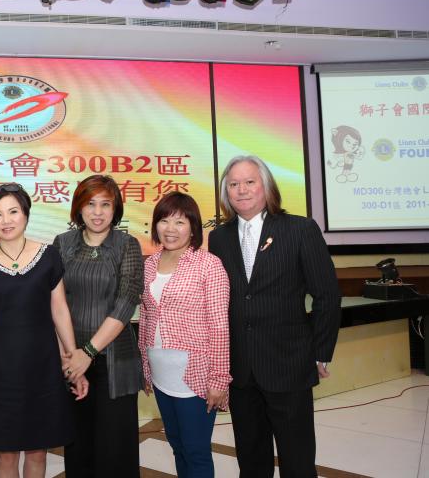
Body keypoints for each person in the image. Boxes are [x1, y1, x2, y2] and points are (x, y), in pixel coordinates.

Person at [208, 155, 341, 478]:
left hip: (289, 363)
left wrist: (320, 352)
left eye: (249, 182)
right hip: (241, 369)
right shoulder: (219, 238)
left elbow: (326, 295)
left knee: (297, 460)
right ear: (226, 192)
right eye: (233, 184)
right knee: (251, 459)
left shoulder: (300, 229)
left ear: (266, 187)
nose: (241, 190)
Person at [0, 183, 89, 478]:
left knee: (38, 451)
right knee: (6, 452)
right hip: (0, 374)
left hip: (43, 370)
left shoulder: (49, 256)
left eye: (13, 212)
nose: (6, 220)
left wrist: (74, 363)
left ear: (26, 214)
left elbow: (59, 311)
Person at [53, 175, 143, 478]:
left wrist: (88, 352)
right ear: (79, 207)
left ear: (115, 209)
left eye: (106, 204)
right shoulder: (63, 244)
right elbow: (56, 302)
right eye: (90, 204)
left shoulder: (127, 245)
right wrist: (70, 357)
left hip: (115, 363)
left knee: (115, 453)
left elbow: (125, 302)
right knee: (79, 450)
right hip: (72, 361)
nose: (97, 212)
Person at [138, 191, 231, 478]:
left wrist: (219, 379)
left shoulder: (209, 265)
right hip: (160, 373)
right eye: (164, 221)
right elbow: (146, 316)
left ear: (193, 228)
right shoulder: (148, 264)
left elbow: (219, 326)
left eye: (179, 222)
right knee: (177, 445)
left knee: (196, 451)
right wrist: (145, 366)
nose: (170, 229)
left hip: (195, 376)